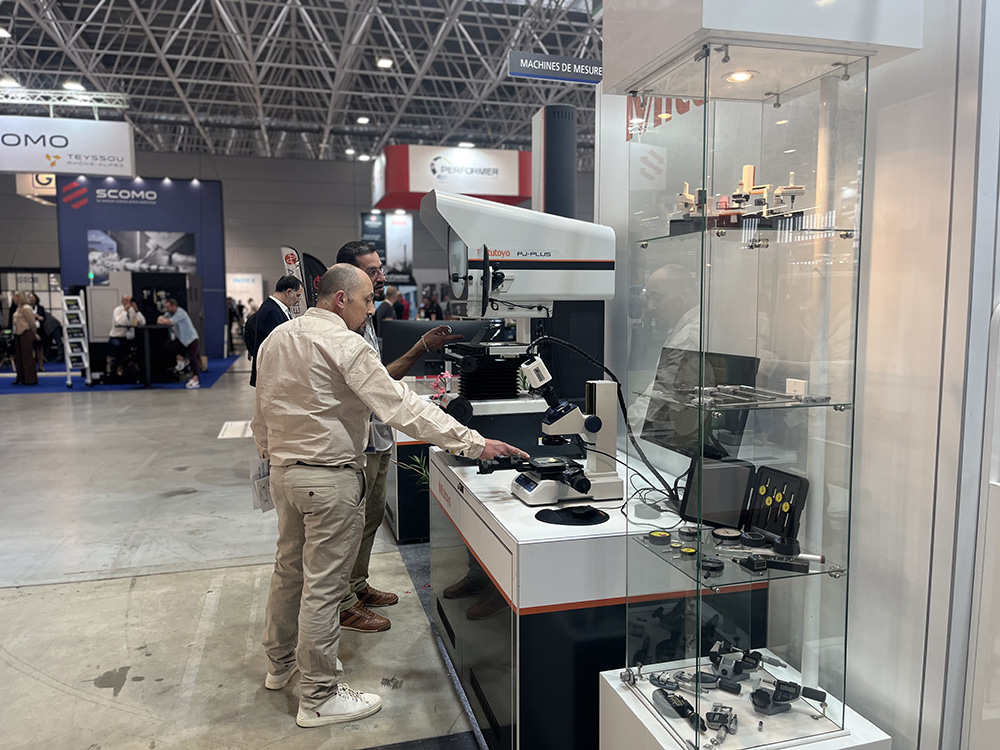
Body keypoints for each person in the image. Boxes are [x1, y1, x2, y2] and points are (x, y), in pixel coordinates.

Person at [251, 263, 525, 727]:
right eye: (365, 301)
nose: (369, 310)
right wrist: (473, 442)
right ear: (341, 299)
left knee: (289, 572)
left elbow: (261, 409)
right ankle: (318, 697)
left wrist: (270, 452)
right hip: (329, 479)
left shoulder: (277, 339)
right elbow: (399, 406)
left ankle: (279, 666)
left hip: (285, 475)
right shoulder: (345, 343)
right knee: (324, 589)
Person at [335, 241, 463, 633]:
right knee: (350, 524)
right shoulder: (342, 328)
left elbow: (378, 379)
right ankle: (342, 603)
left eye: (380, 269)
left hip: (377, 437)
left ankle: (357, 586)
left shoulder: (367, 319)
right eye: (372, 271)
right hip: (354, 442)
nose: (381, 276)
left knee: (371, 517)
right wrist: (421, 348)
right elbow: (378, 387)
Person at [249, 276, 303, 387]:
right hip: (272, 375)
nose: (298, 300)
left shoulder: (275, 308)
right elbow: (278, 346)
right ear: (288, 292)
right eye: (298, 295)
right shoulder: (271, 311)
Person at [157, 299, 201, 389]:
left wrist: (163, 320)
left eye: (168, 307)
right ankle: (182, 359)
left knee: (193, 358)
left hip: (191, 339)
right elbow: (159, 319)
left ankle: (195, 379)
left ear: (174, 306)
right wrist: (162, 319)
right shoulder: (170, 314)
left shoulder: (180, 313)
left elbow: (169, 322)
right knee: (169, 346)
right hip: (182, 340)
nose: (167, 309)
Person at [109, 294, 147, 380]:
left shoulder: (132, 311)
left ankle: (136, 365)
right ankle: (120, 365)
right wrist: (125, 311)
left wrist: (137, 311)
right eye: (126, 301)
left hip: (129, 337)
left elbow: (143, 322)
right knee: (118, 346)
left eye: (130, 301)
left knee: (141, 345)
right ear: (122, 301)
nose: (128, 303)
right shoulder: (118, 310)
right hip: (117, 336)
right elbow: (120, 322)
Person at [11, 291, 40, 386]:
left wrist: (34, 333)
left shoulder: (26, 308)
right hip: (18, 334)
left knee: (27, 357)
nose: (14, 298)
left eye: (15, 296)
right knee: (19, 357)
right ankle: (21, 377)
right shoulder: (18, 308)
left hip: (26, 333)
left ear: (20, 297)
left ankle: (30, 378)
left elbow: (32, 322)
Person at [27, 293, 47, 371]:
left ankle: (41, 366)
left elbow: (44, 318)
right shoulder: (26, 308)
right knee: (30, 349)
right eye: (30, 297)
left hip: (40, 329)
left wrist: (39, 317)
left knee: (40, 348)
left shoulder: (40, 308)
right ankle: (31, 367)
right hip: (30, 329)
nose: (31, 299)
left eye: (33, 297)